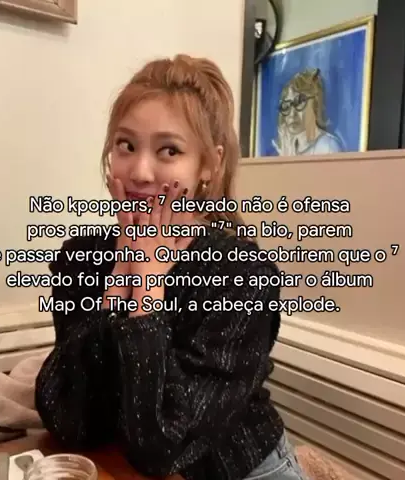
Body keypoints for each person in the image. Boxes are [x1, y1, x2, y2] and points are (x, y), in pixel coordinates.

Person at [35, 54, 308, 480]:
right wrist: (118, 283)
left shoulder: (242, 275)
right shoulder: (81, 257)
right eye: (126, 145)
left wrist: (148, 288)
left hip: (243, 471)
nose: (141, 172)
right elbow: (70, 419)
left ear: (209, 165)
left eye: (169, 150)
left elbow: (162, 448)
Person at [272, 68, 343, 156]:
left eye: (299, 103)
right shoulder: (288, 147)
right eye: (286, 106)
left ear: (315, 104)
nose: (292, 114)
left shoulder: (328, 146)